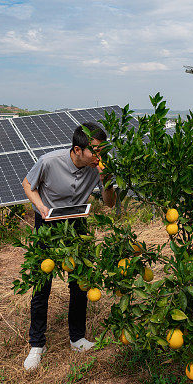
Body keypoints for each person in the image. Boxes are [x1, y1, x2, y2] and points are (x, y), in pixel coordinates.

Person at [21, 122, 115, 370]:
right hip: (48, 224)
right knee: (42, 284)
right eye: (95, 151)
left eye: (102, 150)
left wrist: (107, 181)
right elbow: (27, 185)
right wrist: (41, 207)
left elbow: (110, 204)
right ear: (77, 149)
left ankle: (77, 338)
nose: (99, 156)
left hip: (77, 225)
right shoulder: (49, 162)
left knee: (80, 281)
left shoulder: (99, 168)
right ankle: (36, 344)